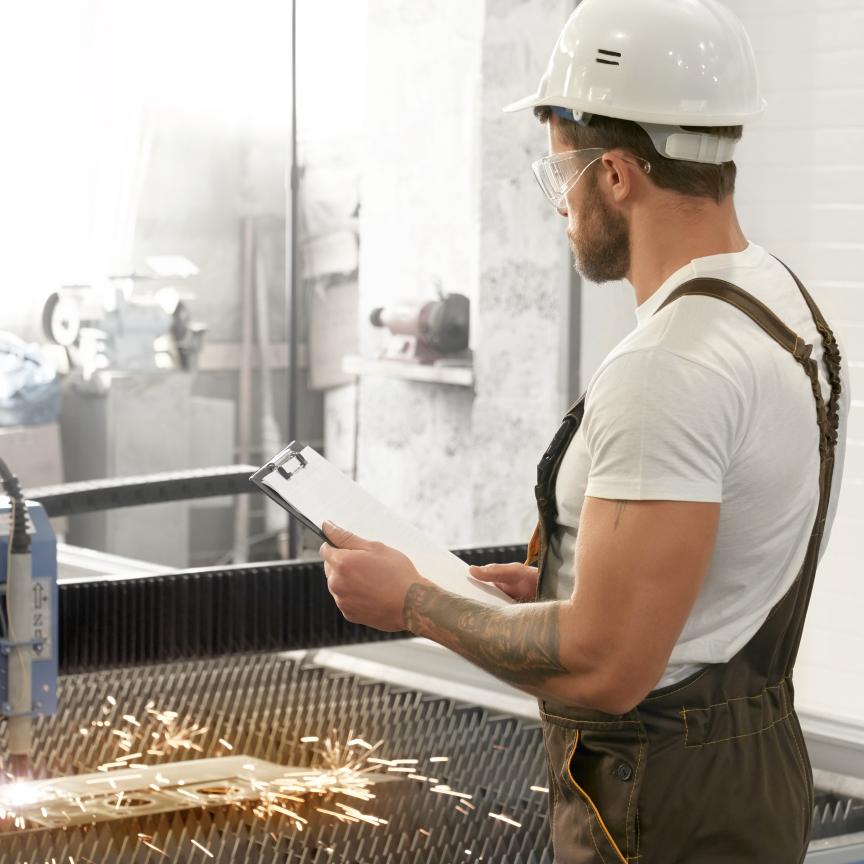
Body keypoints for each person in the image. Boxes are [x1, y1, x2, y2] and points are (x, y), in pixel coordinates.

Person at [319, 0, 850, 860]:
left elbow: (606, 667)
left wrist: (413, 602)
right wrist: (579, 579)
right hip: (751, 772)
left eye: (558, 171)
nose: (554, 202)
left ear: (614, 175)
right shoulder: (787, 312)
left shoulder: (669, 366)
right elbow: (719, 573)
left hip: (661, 797)